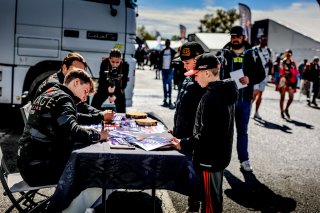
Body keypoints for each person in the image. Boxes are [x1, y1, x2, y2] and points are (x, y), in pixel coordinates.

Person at [17, 68, 109, 187]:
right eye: (85, 91)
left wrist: (99, 117)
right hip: (38, 170)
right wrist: (98, 135)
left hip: (27, 165)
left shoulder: (52, 92)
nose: (84, 98)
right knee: (92, 169)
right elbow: (73, 131)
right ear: (76, 82)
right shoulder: (64, 99)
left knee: (82, 161)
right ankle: (72, 206)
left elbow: (73, 117)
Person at [172, 53, 238, 213]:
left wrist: (183, 143)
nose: (194, 79)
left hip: (210, 158)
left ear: (207, 73)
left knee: (210, 202)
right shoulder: (221, 93)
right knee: (210, 197)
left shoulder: (212, 98)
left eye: (196, 75)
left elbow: (207, 135)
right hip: (216, 156)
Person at [216, 26, 265, 172]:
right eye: (232, 36)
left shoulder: (253, 53)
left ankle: (244, 160)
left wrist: (250, 78)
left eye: (238, 36)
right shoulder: (223, 53)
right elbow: (214, 72)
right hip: (226, 100)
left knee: (242, 131)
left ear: (244, 37)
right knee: (223, 132)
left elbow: (262, 74)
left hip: (244, 100)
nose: (235, 39)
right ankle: (220, 159)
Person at [171, 41, 206, 212]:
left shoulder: (202, 83)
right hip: (183, 134)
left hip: (193, 139)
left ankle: (195, 206)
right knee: (189, 175)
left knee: (197, 175)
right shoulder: (188, 77)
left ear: (198, 59)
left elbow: (201, 118)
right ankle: (193, 203)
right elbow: (181, 107)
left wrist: (189, 139)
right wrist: (175, 129)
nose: (184, 65)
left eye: (187, 62)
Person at [35, 52, 114, 125]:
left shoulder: (65, 82)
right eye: (75, 70)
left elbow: (80, 105)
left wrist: (100, 113)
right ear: (64, 67)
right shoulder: (55, 85)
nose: (79, 75)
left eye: (81, 72)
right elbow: (70, 116)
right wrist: (100, 117)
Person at [91, 48, 129, 113]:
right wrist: (107, 89)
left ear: (121, 60)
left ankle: (121, 121)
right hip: (105, 86)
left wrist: (116, 95)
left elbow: (124, 82)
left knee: (122, 110)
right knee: (94, 105)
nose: (115, 64)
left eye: (117, 62)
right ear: (109, 59)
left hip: (118, 88)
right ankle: (92, 117)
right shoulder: (104, 63)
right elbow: (101, 80)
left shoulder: (125, 65)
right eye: (113, 62)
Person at [252, 35, 273, 119]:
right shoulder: (254, 49)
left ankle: (256, 112)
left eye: (265, 39)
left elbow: (271, 62)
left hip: (265, 74)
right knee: (255, 92)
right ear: (259, 40)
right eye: (262, 39)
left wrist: (271, 74)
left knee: (260, 94)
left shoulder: (269, 50)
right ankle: (248, 109)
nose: (264, 40)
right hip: (256, 74)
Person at [277, 49, 299, 119]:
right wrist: (286, 74)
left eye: (290, 54)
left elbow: (296, 71)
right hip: (283, 80)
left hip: (291, 81)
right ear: (285, 54)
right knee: (282, 97)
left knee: (291, 98)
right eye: (287, 53)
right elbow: (281, 71)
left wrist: (293, 74)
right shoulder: (282, 62)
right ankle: (281, 111)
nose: (289, 55)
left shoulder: (293, 63)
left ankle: (286, 109)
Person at [159, 39, 176, 109]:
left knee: (169, 84)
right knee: (164, 85)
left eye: (168, 43)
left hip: (170, 70)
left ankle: (169, 99)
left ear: (170, 44)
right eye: (167, 43)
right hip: (163, 69)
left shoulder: (172, 51)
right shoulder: (163, 51)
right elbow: (160, 60)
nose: (167, 44)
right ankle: (165, 98)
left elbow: (175, 60)